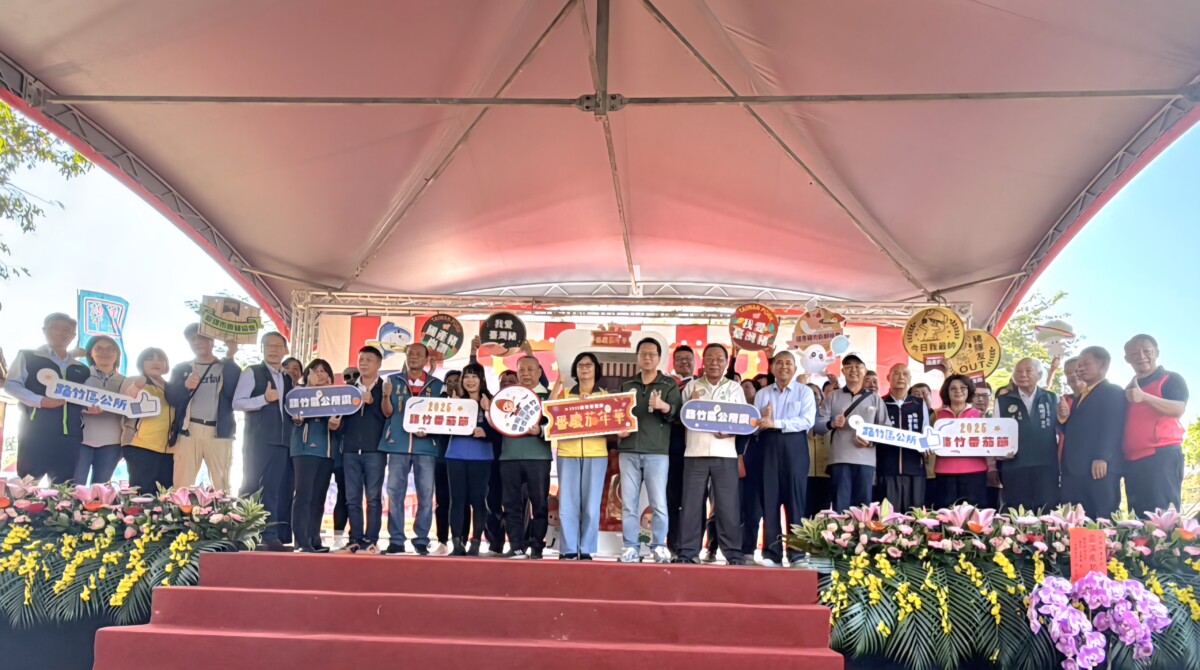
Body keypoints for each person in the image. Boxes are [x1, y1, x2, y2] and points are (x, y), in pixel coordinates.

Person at [678, 344, 745, 565]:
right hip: (694, 453)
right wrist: (691, 403)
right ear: (703, 361)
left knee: (727, 506)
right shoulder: (692, 387)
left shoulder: (735, 388)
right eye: (710, 358)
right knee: (691, 505)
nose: (714, 363)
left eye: (719, 359)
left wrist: (730, 431)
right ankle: (688, 552)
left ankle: (733, 553)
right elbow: (680, 418)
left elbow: (743, 420)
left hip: (725, 453)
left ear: (726, 363)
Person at [4, 313, 90, 484]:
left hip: (71, 435)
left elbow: (86, 398)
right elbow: (11, 385)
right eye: (55, 327)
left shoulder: (82, 368)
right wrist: (40, 401)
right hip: (36, 432)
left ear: (73, 335)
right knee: (27, 485)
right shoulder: (28, 356)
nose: (60, 333)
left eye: (66, 329)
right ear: (45, 331)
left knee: (64, 488)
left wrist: (91, 407)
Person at [617, 338, 682, 564]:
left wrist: (664, 407)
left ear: (659, 358)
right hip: (628, 450)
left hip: (657, 452)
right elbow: (616, 415)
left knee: (659, 503)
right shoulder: (627, 385)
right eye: (643, 354)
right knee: (629, 504)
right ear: (637, 357)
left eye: (652, 354)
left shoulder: (668, 384)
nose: (647, 358)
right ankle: (630, 547)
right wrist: (618, 431)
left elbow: (678, 415)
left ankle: (660, 546)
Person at [379, 343, 444, 555]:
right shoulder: (392, 380)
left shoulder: (437, 385)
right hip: (397, 443)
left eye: (418, 354)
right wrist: (386, 396)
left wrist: (430, 430)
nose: (414, 357)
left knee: (426, 494)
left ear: (426, 359)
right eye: (410, 354)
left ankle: (422, 540)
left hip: (426, 446)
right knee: (395, 493)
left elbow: (442, 415)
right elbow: (387, 413)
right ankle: (396, 540)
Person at [755, 351, 818, 567]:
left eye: (788, 363)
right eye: (779, 363)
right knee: (770, 500)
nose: (784, 367)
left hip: (795, 446)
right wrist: (760, 421)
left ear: (795, 368)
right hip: (768, 446)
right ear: (772, 367)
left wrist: (776, 423)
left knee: (796, 500)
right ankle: (771, 554)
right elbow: (754, 426)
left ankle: (797, 554)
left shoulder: (804, 392)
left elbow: (807, 421)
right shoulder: (763, 394)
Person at [233, 331, 294, 550]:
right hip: (258, 439)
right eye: (269, 346)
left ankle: (270, 534)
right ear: (262, 349)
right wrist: (264, 399)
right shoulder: (252, 371)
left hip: (282, 440)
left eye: (278, 346)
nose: (274, 350)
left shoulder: (287, 378)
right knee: (250, 485)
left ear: (285, 350)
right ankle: (240, 534)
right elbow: (237, 403)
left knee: (273, 490)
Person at [167, 324, 241, 491]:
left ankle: (221, 510)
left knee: (222, 487)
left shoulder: (225, 367)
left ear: (212, 341)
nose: (197, 342)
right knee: (181, 486)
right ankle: (179, 509)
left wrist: (230, 357)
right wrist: (185, 386)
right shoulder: (181, 368)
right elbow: (171, 398)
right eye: (192, 339)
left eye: (202, 338)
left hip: (219, 432)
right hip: (188, 430)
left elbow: (233, 393)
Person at [1122, 335, 1188, 515]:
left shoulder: (1171, 378)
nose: (1141, 356)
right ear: (1127, 359)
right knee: (1138, 518)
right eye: (1135, 353)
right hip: (1133, 462)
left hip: (1161, 457)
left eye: (1147, 351)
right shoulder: (1128, 388)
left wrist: (1144, 397)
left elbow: (1178, 408)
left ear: (1157, 352)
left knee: (1163, 517)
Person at [1059, 346, 1126, 519]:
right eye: (1079, 365)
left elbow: (1112, 427)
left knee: (1103, 516)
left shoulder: (1113, 391)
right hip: (1077, 468)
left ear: (1103, 365)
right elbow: (1075, 431)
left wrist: (1102, 457)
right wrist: (1063, 419)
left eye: (1086, 364)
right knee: (1080, 517)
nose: (1080, 369)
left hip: (1099, 467)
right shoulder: (1081, 396)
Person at [554, 352, 610, 561]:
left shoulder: (605, 397)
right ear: (575, 370)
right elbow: (549, 414)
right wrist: (558, 387)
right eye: (580, 365)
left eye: (589, 365)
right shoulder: (566, 394)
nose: (584, 368)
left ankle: (586, 548)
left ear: (596, 369)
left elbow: (614, 425)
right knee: (567, 504)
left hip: (597, 453)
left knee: (591, 505)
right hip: (567, 452)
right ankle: (568, 549)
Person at [817, 354, 887, 514]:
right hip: (839, 460)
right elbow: (818, 425)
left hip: (866, 462)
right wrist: (832, 423)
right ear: (843, 371)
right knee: (840, 510)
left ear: (865, 371)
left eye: (857, 366)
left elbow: (886, 429)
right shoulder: (833, 396)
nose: (853, 370)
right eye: (848, 366)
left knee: (863, 511)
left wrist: (870, 442)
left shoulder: (875, 399)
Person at [499, 355, 553, 559]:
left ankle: (537, 546)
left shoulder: (550, 396)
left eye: (531, 369)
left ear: (539, 372)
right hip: (509, 457)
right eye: (522, 370)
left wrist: (540, 431)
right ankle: (516, 546)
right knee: (511, 504)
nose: (526, 374)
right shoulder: (507, 396)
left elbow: (558, 426)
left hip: (538, 457)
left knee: (539, 504)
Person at [289, 359, 342, 553]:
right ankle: (301, 540)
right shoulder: (298, 394)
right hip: (305, 450)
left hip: (327, 452)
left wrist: (337, 425)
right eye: (316, 370)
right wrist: (310, 389)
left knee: (319, 497)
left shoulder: (336, 397)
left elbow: (340, 424)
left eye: (324, 371)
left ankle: (314, 538)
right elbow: (295, 419)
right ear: (308, 374)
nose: (320, 374)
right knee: (304, 495)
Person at [338, 346, 387, 553]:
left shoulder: (385, 388)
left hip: (375, 450)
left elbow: (389, 416)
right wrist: (336, 424)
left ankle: (371, 539)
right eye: (361, 359)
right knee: (352, 499)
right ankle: (355, 538)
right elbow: (340, 417)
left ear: (379, 364)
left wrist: (374, 402)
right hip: (350, 450)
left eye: (369, 359)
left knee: (374, 498)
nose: (364, 363)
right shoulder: (348, 389)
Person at [995, 358, 1060, 512]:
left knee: (1047, 510)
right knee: (1017, 510)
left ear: (1039, 375)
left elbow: (1059, 431)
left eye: (1028, 370)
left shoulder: (1052, 398)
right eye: (1018, 371)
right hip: (1015, 466)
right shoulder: (1002, 400)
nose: (1022, 374)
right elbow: (996, 432)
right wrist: (1000, 452)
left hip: (1046, 466)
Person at [445, 362, 496, 556]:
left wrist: (488, 417)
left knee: (478, 499)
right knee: (457, 500)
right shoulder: (455, 401)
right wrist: (450, 408)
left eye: (474, 376)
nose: (470, 380)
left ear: (481, 379)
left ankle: (476, 542)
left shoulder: (491, 401)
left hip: (481, 456)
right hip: (455, 454)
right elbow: (440, 424)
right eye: (466, 376)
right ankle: (457, 542)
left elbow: (502, 429)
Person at [120, 348, 175, 493]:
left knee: (165, 494)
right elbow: (123, 404)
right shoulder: (134, 381)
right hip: (141, 446)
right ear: (141, 363)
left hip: (168, 450)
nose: (156, 362)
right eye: (150, 358)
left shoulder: (171, 387)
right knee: (143, 493)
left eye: (160, 359)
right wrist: (136, 386)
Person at [76, 336, 126, 485]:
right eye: (99, 349)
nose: (105, 352)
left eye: (110, 349)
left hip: (112, 443)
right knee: (75, 488)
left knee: (102, 490)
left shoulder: (127, 382)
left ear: (117, 354)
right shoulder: (79, 376)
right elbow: (65, 402)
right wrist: (84, 408)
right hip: (81, 440)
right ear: (90, 353)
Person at [931, 375, 988, 507]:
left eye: (963, 388)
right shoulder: (937, 415)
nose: (958, 391)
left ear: (969, 391)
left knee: (974, 514)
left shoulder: (979, 415)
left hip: (975, 472)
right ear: (947, 392)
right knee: (945, 514)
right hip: (944, 472)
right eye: (953, 388)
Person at [878, 364, 927, 511]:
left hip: (915, 467)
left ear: (910, 378)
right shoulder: (881, 402)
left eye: (905, 374)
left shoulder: (919, 404)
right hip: (887, 468)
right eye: (896, 374)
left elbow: (926, 431)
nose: (901, 377)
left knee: (915, 515)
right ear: (888, 378)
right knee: (888, 515)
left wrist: (927, 445)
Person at [666, 344, 696, 556]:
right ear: (673, 362)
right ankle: (672, 545)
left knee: (693, 500)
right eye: (680, 359)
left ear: (695, 362)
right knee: (671, 498)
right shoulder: (667, 385)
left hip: (697, 451)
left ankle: (692, 546)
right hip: (671, 449)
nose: (684, 362)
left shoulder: (700, 385)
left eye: (688, 359)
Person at [805, 382, 834, 516]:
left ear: (821, 398)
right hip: (805, 475)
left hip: (826, 474)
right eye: (808, 393)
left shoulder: (829, 417)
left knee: (822, 517)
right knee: (803, 516)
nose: (811, 397)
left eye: (815, 394)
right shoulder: (797, 418)